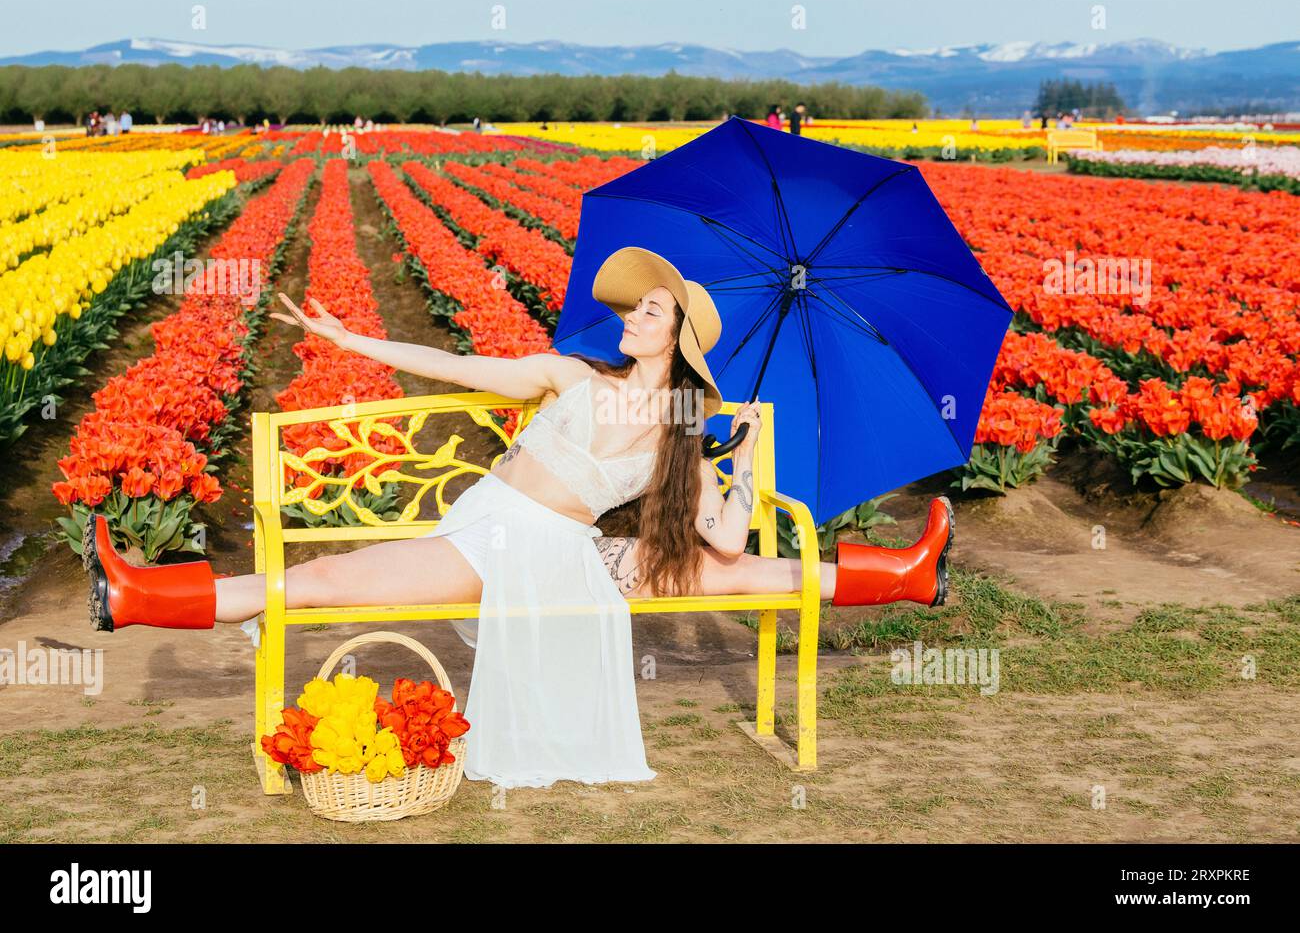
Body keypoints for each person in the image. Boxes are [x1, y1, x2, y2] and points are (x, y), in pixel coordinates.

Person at [81, 246, 955, 789]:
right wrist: (355, 344)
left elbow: (725, 534)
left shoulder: (684, 426)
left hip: (570, 550)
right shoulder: (573, 376)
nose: (628, 315)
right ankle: (138, 594)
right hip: (496, 531)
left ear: (678, 337)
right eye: (630, 305)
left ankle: (910, 578)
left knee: (749, 569)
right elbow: (460, 366)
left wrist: (748, 455)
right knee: (322, 578)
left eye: (648, 309)